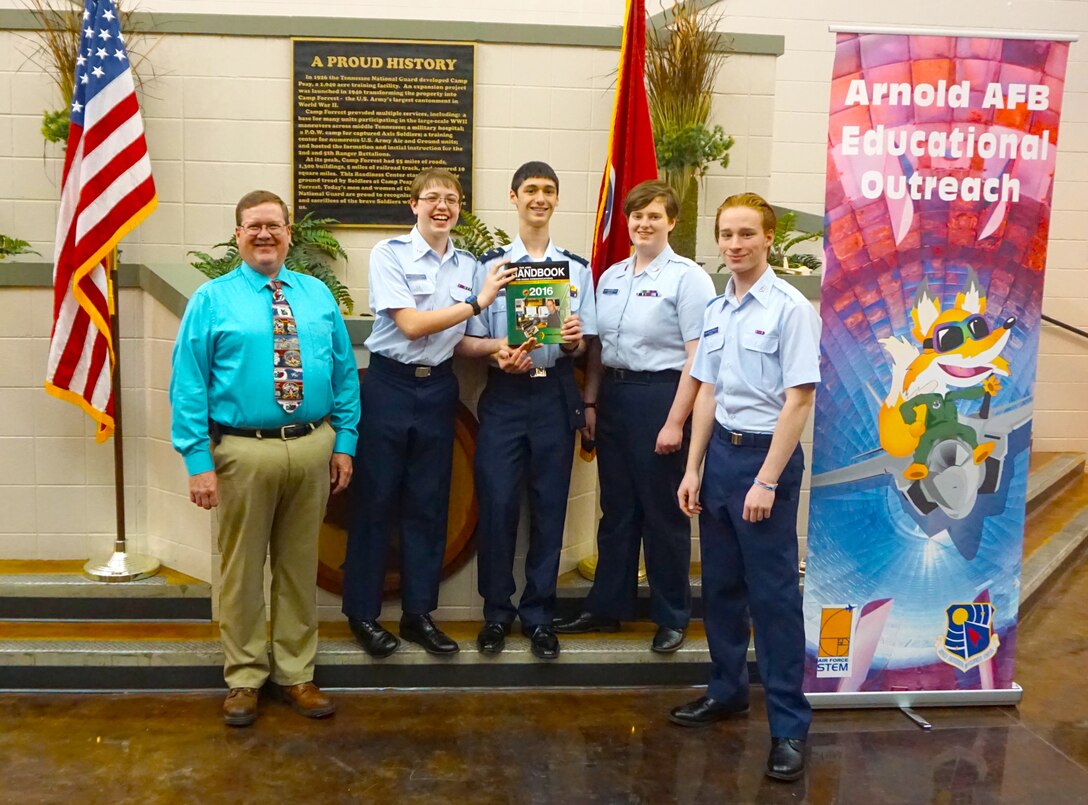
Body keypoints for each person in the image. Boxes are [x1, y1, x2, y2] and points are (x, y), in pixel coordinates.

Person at [170, 189, 359, 727]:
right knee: (242, 570)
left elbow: (344, 375)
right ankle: (245, 678)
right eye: (253, 226)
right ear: (238, 235)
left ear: (289, 233)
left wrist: (344, 442)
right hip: (241, 454)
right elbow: (188, 385)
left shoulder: (318, 295)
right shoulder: (211, 300)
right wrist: (196, 460)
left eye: (273, 226)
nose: (264, 235)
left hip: (311, 447)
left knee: (300, 567)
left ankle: (296, 673)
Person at [673, 192, 821, 783]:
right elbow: (707, 391)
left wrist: (766, 479)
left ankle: (788, 727)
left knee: (775, 599)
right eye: (726, 234)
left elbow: (799, 399)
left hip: (766, 462)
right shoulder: (717, 308)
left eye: (746, 234)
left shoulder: (789, 307)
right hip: (723, 462)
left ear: (769, 238)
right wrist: (692, 467)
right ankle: (727, 689)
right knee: (723, 588)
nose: (734, 244)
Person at [341, 168, 514, 657]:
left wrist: (503, 346)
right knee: (375, 504)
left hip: (439, 390)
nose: (443, 206)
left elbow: (462, 340)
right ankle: (363, 615)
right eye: (433, 198)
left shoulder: (468, 265)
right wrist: (476, 302)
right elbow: (413, 325)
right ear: (413, 204)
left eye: (452, 199)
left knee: (429, 506)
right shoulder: (388, 254)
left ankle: (419, 614)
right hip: (388, 387)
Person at [554, 180, 714, 653]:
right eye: (637, 216)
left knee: (662, 512)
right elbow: (599, 349)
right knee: (617, 509)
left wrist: (675, 420)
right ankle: (607, 606)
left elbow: (697, 357)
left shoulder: (688, 278)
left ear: (673, 222)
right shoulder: (612, 277)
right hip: (616, 400)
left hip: (662, 396)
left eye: (654, 217)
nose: (644, 224)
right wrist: (590, 403)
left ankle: (671, 615)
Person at [456, 161, 595, 659]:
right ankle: (497, 613)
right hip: (506, 398)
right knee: (496, 506)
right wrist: (498, 349)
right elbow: (464, 341)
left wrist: (575, 343)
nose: (540, 197)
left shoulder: (576, 269)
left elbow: (586, 348)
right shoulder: (489, 267)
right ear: (513, 197)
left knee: (550, 508)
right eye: (531, 189)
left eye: (549, 190)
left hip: (555, 394)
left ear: (556, 200)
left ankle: (539, 615)